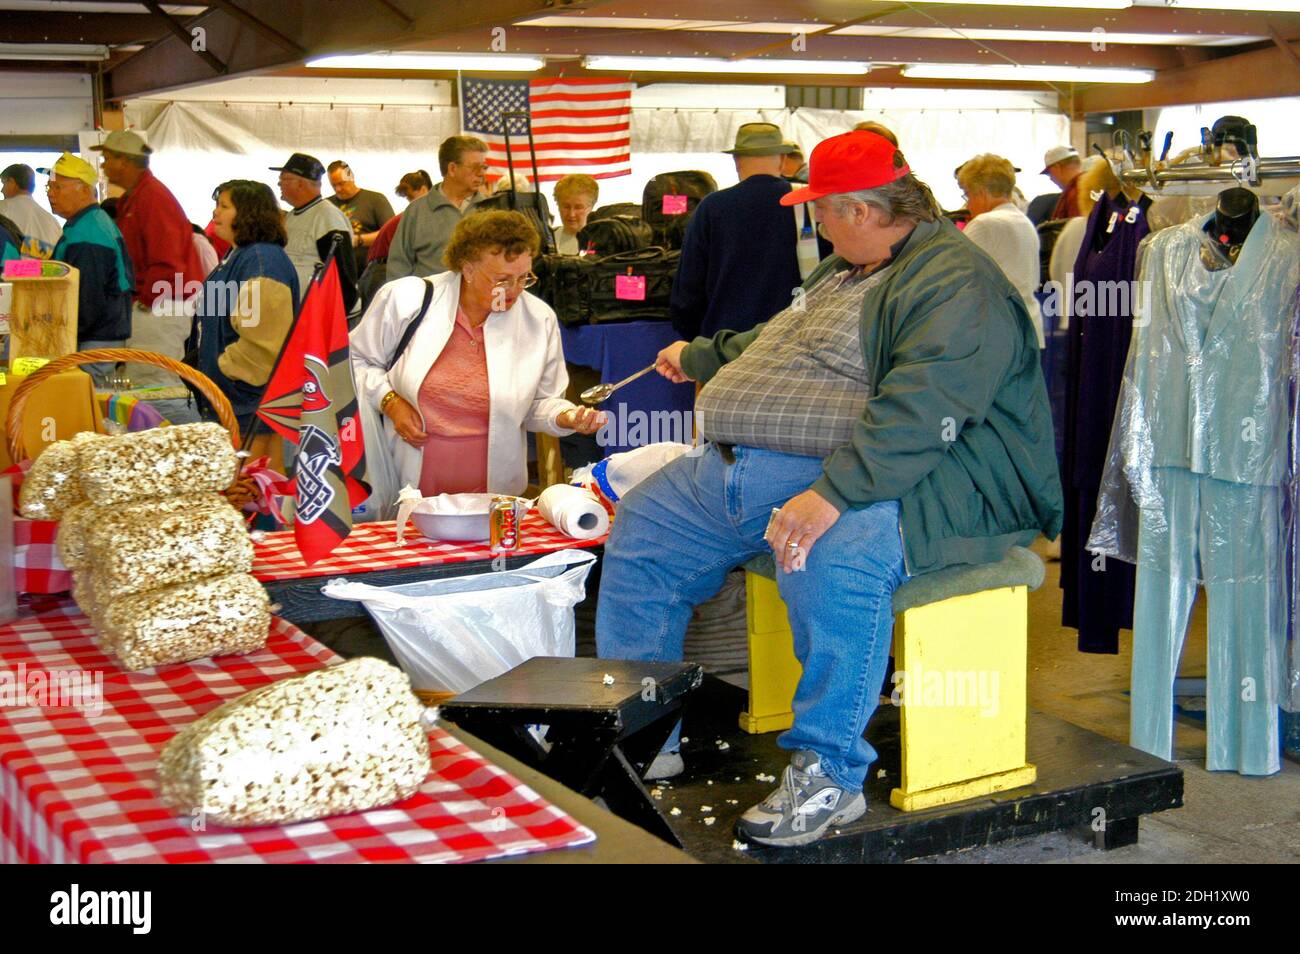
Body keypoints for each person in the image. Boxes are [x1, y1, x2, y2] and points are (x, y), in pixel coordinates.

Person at [596, 130, 1063, 848]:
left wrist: (834, 493)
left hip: (935, 476)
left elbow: (923, 408)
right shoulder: (849, 267)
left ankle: (829, 772)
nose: (816, 226)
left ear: (863, 209)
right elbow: (773, 337)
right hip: (764, 465)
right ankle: (645, 732)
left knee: (828, 554)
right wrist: (698, 356)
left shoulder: (954, 281)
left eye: (823, 213)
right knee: (644, 527)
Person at [351, 211, 604, 513]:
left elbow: (538, 404)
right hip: (408, 481)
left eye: (525, 277)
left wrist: (566, 417)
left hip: (494, 492)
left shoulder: (539, 319)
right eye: (502, 280)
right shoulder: (407, 300)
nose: (514, 291)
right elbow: (357, 360)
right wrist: (390, 400)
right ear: (467, 269)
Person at [670, 122, 808, 341]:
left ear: (737, 161)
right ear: (782, 160)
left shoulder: (712, 207)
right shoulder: (807, 204)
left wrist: (696, 340)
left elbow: (689, 287)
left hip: (724, 342)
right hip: (793, 340)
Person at [91, 130, 204, 387]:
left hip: (160, 305)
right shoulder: (137, 197)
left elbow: (168, 260)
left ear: (123, 160)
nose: (104, 165)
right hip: (155, 303)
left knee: (154, 381)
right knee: (146, 378)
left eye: (107, 158)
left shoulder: (152, 198)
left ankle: (183, 428)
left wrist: (145, 302)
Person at [192, 179, 299, 442]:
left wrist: (224, 370)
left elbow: (264, 342)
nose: (215, 212)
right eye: (217, 205)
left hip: (247, 403)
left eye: (224, 206)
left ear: (249, 213)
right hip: (231, 398)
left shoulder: (263, 260)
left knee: (252, 481)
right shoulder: (239, 255)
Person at [39, 153, 133, 382]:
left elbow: (88, 298)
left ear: (83, 189)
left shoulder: (89, 234)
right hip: (92, 336)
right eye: (48, 187)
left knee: (87, 405)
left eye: (57, 187)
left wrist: (59, 336)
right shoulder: (84, 225)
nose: (51, 194)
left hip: (91, 340)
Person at [956, 154, 1043, 347]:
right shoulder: (1023, 221)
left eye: (968, 195)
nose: (967, 204)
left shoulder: (984, 224)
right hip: (1029, 327)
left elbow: (957, 276)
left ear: (982, 192)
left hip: (998, 334)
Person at [386, 135, 488, 280]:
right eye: (475, 167)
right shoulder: (416, 211)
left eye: (484, 167)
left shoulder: (492, 211)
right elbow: (398, 267)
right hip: (428, 300)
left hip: (479, 301)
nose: (482, 173)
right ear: (452, 168)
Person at [271, 152, 358, 313]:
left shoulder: (328, 218)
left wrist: (335, 318)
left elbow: (344, 276)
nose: (278, 184)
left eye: (283, 178)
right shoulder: (292, 216)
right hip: (301, 313)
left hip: (321, 318)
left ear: (300, 183)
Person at [358, 171, 433, 313]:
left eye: (410, 197)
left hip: (379, 270)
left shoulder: (412, 216)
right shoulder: (415, 217)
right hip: (382, 270)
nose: (410, 202)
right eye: (407, 198)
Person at [327, 159, 395, 277]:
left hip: (370, 271)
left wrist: (358, 240)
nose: (338, 189)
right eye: (334, 185)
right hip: (338, 272)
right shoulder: (327, 205)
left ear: (351, 177)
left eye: (341, 183)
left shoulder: (375, 200)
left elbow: (390, 234)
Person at [0, 162, 61, 258]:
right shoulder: (53, 223)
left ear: (12, 182)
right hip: (46, 272)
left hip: (8, 271)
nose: (2, 190)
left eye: (3, 184)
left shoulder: (3, 208)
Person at [552, 174, 598, 255]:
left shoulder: (599, 242)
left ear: (591, 207)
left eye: (578, 207)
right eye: (566, 207)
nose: (571, 214)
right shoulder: (548, 239)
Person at [1042, 145, 1084, 219]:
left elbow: (1078, 228)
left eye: (1049, 173)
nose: (1051, 178)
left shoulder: (1075, 193)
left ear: (1057, 167)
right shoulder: (1091, 185)